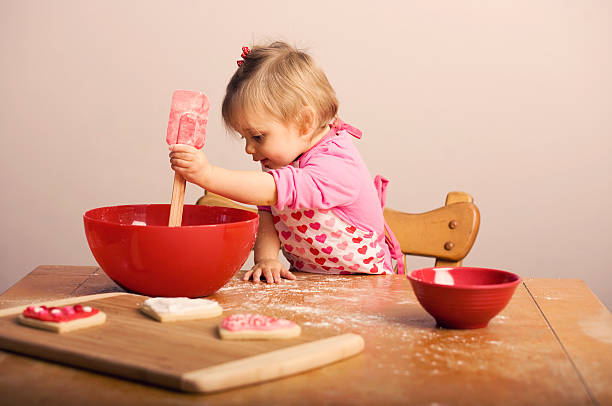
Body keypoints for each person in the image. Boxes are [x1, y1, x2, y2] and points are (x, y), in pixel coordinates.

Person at [169, 41, 402, 283]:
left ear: (304, 122)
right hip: (309, 282)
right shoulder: (282, 161)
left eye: (258, 136)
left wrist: (208, 175)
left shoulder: (338, 164)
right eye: (245, 138)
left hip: (369, 285)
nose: (249, 148)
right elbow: (269, 214)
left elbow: (275, 190)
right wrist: (267, 259)